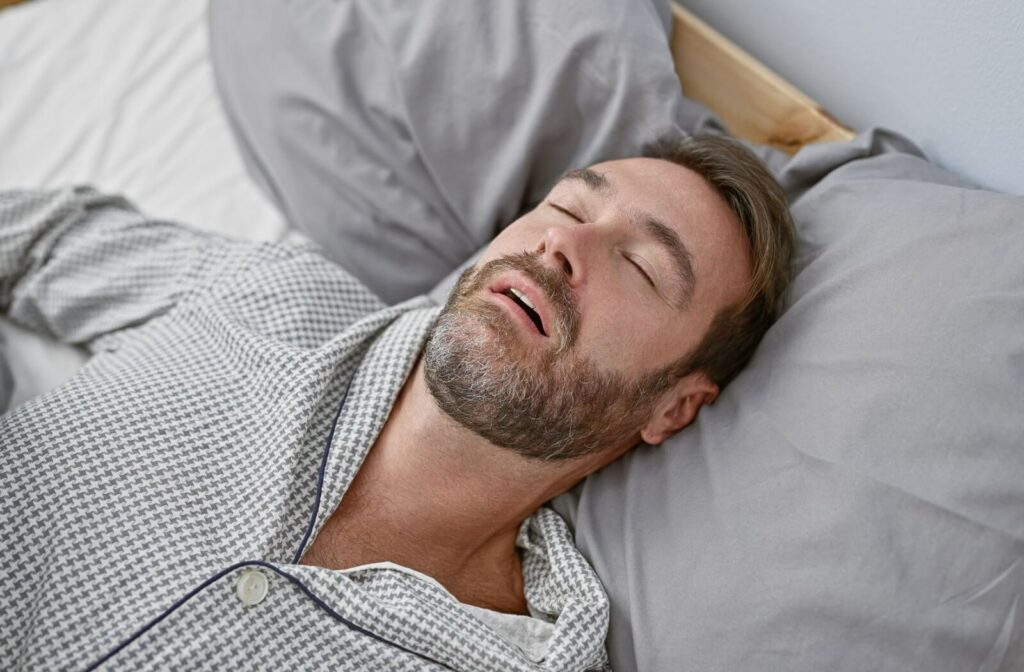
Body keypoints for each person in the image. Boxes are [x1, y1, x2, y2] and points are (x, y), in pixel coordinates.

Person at [0, 134, 793, 670]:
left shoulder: (525, 655)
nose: (563, 244)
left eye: (642, 265)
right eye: (567, 207)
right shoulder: (270, 296)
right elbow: (39, 239)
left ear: (674, 409)